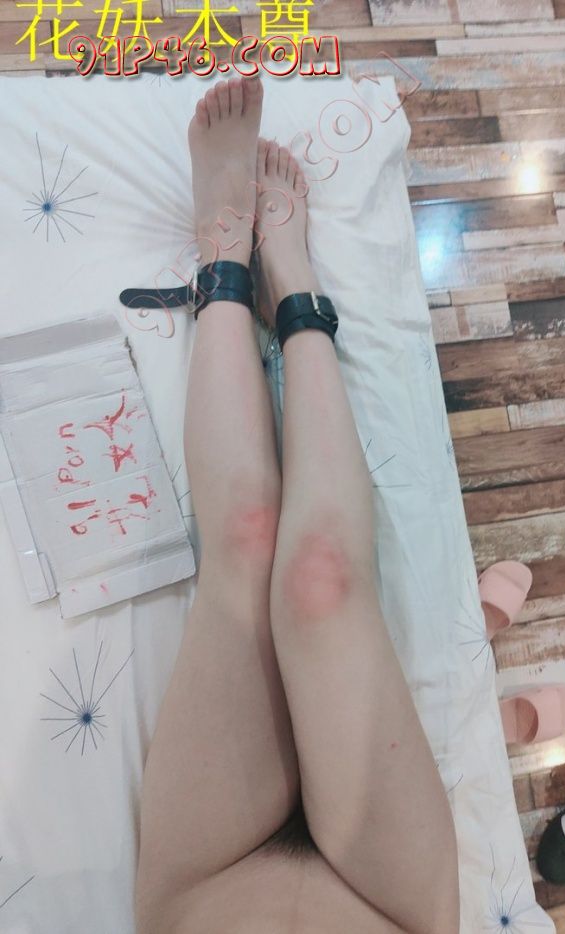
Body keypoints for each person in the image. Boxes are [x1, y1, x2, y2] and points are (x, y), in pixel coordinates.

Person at [134, 75, 460, 934]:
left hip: (204, 891)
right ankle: (294, 281)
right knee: (321, 581)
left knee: (247, 542)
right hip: (394, 908)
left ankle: (225, 254)